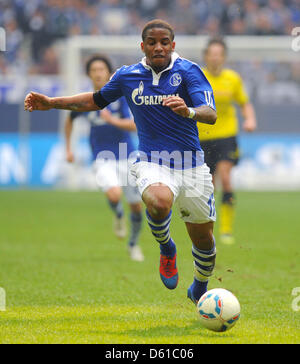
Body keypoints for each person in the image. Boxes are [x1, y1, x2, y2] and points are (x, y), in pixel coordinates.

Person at [24, 19, 217, 305]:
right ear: (143, 46)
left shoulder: (189, 71)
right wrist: (53, 102)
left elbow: (210, 113)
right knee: (159, 201)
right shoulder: (128, 75)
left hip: (191, 164)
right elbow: (95, 99)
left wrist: (188, 110)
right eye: (152, 42)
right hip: (153, 160)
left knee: (203, 240)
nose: (158, 47)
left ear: (173, 45)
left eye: (164, 42)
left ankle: (200, 285)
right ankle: (167, 249)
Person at [66, 55, 144, 262]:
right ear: (89, 74)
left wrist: (112, 121)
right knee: (114, 194)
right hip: (102, 157)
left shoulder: (120, 96)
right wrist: (68, 148)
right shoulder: (86, 99)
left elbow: (135, 125)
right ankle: (119, 216)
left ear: (109, 73)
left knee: (137, 206)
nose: (98, 73)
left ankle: (133, 245)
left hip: (128, 155)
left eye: (102, 69)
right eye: (94, 70)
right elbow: (70, 119)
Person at [198, 38, 257, 245]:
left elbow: (244, 102)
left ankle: (226, 229)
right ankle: (209, 226)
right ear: (206, 56)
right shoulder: (197, 76)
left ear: (223, 57)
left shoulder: (232, 78)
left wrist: (250, 119)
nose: (215, 57)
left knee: (226, 177)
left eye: (219, 54)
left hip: (227, 135)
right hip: (203, 136)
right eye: (211, 53)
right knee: (209, 185)